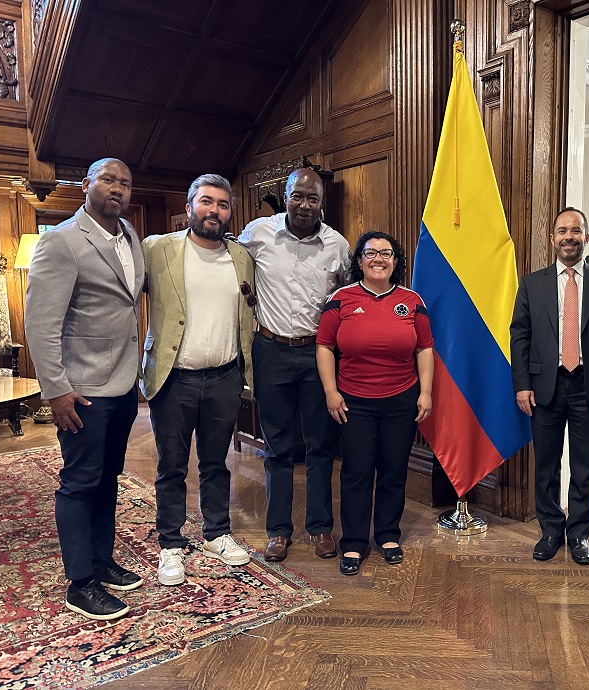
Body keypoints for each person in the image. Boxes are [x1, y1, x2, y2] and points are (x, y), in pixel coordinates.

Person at [25, 158, 145, 621]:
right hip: (82, 390)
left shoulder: (129, 235)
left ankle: (101, 560)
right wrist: (55, 390)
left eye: (125, 183)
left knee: (106, 478)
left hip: (122, 385)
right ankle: (81, 582)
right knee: (78, 483)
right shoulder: (61, 241)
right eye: (108, 179)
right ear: (85, 186)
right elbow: (41, 324)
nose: (117, 188)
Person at [140, 174, 255, 586]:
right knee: (171, 466)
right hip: (174, 379)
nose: (214, 211)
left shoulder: (241, 258)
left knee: (215, 463)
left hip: (224, 378)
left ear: (229, 213)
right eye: (206, 202)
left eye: (223, 205)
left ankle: (216, 534)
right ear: (189, 208)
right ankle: (170, 543)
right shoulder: (157, 249)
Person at [237, 166, 351, 562]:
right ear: (285, 196)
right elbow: (232, 266)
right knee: (277, 446)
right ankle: (278, 531)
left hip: (318, 352)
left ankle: (320, 528)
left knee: (320, 444)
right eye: (297, 196)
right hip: (270, 351)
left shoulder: (337, 245)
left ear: (322, 202)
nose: (304, 204)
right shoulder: (257, 233)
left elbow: (345, 296)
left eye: (313, 198)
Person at [316, 231, 434, 576]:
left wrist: (425, 392)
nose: (378, 259)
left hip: (401, 398)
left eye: (386, 253)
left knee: (394, 470)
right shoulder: (341, 299)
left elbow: (424, 348)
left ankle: (387, 535)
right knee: (356, 472)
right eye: (370, 253)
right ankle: (353, 541)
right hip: (354, 401)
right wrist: (330, 391)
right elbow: (324, 346)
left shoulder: (412, 301)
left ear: (395, 261)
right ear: (359, 260)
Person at [510, 207, 589, 565]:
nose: (569, 237)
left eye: (576, 230)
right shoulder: (532, 283)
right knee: (545, 463)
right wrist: (522, 384)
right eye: (562, 231)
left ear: (586, 237)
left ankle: (579, 534)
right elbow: (520, 335)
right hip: (545, 385)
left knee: (586, 465)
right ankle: (550, 530)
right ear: (553, 238)